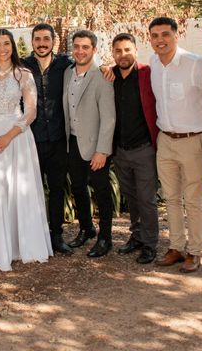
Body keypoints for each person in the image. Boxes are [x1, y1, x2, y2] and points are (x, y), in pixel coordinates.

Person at [0, 29, 52, 273]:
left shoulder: (23, 74)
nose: (2, 48)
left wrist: (9, 135)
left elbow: (31, 111)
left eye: (6, 43)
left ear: (13, 46)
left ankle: (17, 245)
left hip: (17, 137)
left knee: (17, 190)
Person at [148, 17, 202, 273]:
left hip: (193, 139)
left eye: (165, 34)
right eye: (154, 35)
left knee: (193, 199)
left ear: (176, 35)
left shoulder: (195, 64)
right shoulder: (153, 62)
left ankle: (195, 252)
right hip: (166, 140)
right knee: (171, 198)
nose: (160, 40)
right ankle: (176, 247)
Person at [21, 23, 73, 254]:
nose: (42, 43)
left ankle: (56, 236)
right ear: (32, 41)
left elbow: (88, 68)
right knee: (31, 190)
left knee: (57, 189)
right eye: (37, 39)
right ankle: (33, 236)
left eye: (46, 39)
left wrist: (104, 68)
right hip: (30, 139)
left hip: (59, 139)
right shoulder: (22, 65)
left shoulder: (65, 64)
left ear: (54, 41)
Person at [63, 30, 116, 258]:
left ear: (94, 49)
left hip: (96, 146)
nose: (80, 51)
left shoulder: (102, 76)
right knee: (77, 187)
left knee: (102, 191)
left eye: (85, 47)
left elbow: (109, 117)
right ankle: (86, 228)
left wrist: (102, 151)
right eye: (76, 46)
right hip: (73, 142)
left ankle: (105, 237)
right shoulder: (67, 73)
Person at [110, 33, 159, 264]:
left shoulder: (147, 74)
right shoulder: (109, 76)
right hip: (120, 150)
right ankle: (137, 236)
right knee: (131, 197)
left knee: (147, 199)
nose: (123, 55)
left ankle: (150, 244)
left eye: (127, 50)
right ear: (113, 53)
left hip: (144, 149)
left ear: (136, 51)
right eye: (118, 51)